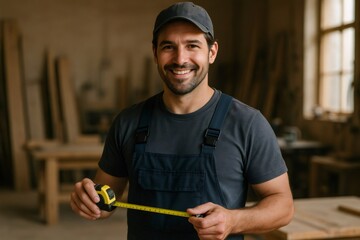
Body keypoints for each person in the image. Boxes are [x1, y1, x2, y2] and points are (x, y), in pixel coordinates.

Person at [70, 2, 294, 239]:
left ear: (212, 52)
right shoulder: (128, 123)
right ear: (155, 53)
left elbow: (283, 207)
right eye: (169, 46)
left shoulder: (247, 123)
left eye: (192, 45)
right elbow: (106, 198)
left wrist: (234, 220)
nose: (180, 58)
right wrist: (89, 200)